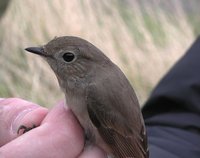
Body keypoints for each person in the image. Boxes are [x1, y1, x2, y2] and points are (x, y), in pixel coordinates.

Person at [0, 36, 200, 158]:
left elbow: (120, 145)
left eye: (67, 58)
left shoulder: (95, 91)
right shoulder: (93, 81)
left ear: (88, 64)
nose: (53, 59)